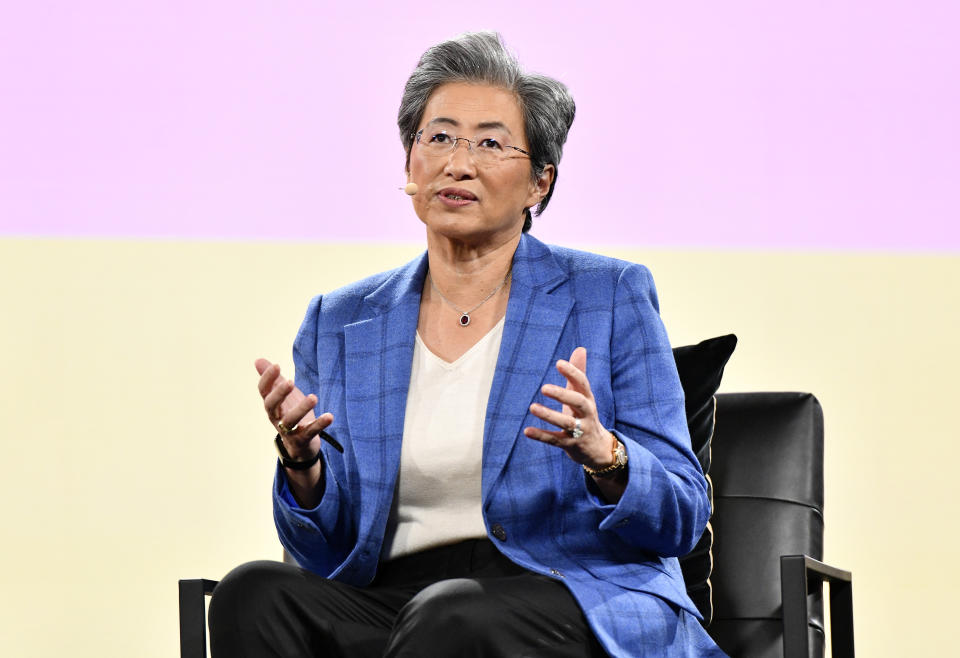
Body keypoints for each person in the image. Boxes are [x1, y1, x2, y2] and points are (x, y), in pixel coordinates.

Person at [209, 31, 727, 657]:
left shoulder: (609, 295)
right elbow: (322, 549)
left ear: (540, 182)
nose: (459, 162)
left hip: (569, 593)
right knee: (252, 594)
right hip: (398, 598)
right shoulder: (340, 320)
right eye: (440, 137)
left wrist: (606, 454)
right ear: (409, 165)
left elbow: (681, 514)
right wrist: (303, 464)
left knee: (450, 615)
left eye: (489, 143)